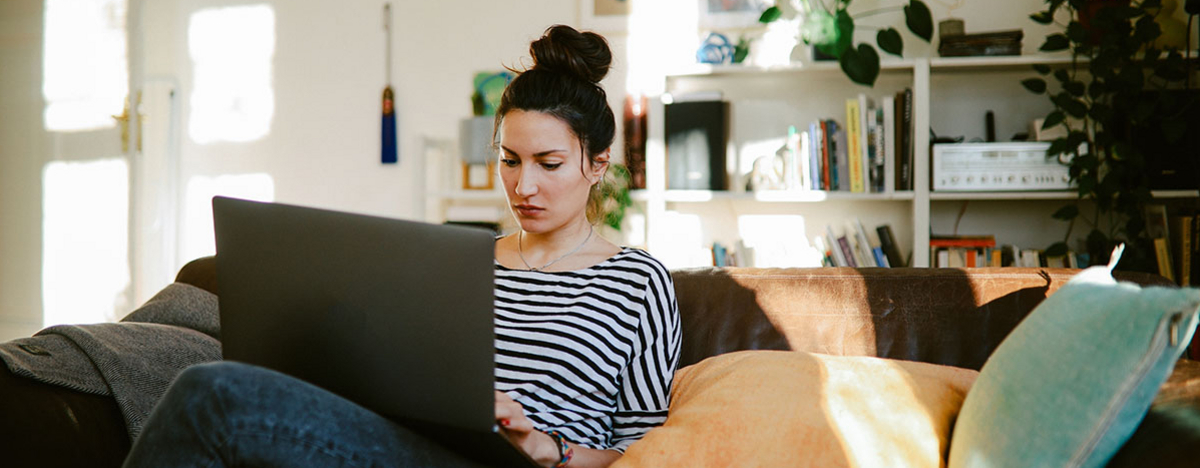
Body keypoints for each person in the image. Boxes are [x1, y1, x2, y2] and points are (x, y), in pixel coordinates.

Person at [122, 24, 681, 468]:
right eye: (509, 161)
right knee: (215, 388)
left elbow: (650, 456)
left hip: (529, 465)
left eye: (549, 163)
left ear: (597, 163)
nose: (523, 185)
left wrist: (542, 446)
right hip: (409, 447)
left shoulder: (638, 281)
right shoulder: (458, 262)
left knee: (216, 395)